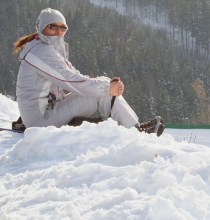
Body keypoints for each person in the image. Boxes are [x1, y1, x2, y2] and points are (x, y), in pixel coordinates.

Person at [14, 8, 164, 136]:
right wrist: (106, 88)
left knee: (103, 84)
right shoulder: (42, 52)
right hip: (41, 120)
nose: (59, 31)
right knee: (101, 92)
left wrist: (103, 83)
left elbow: (74, 74)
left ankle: (133, 127)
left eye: (63, 27)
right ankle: (134, 131)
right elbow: (69, 80)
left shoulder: (49, 48)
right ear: (41, 28)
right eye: (53, 26)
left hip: (45, 113)